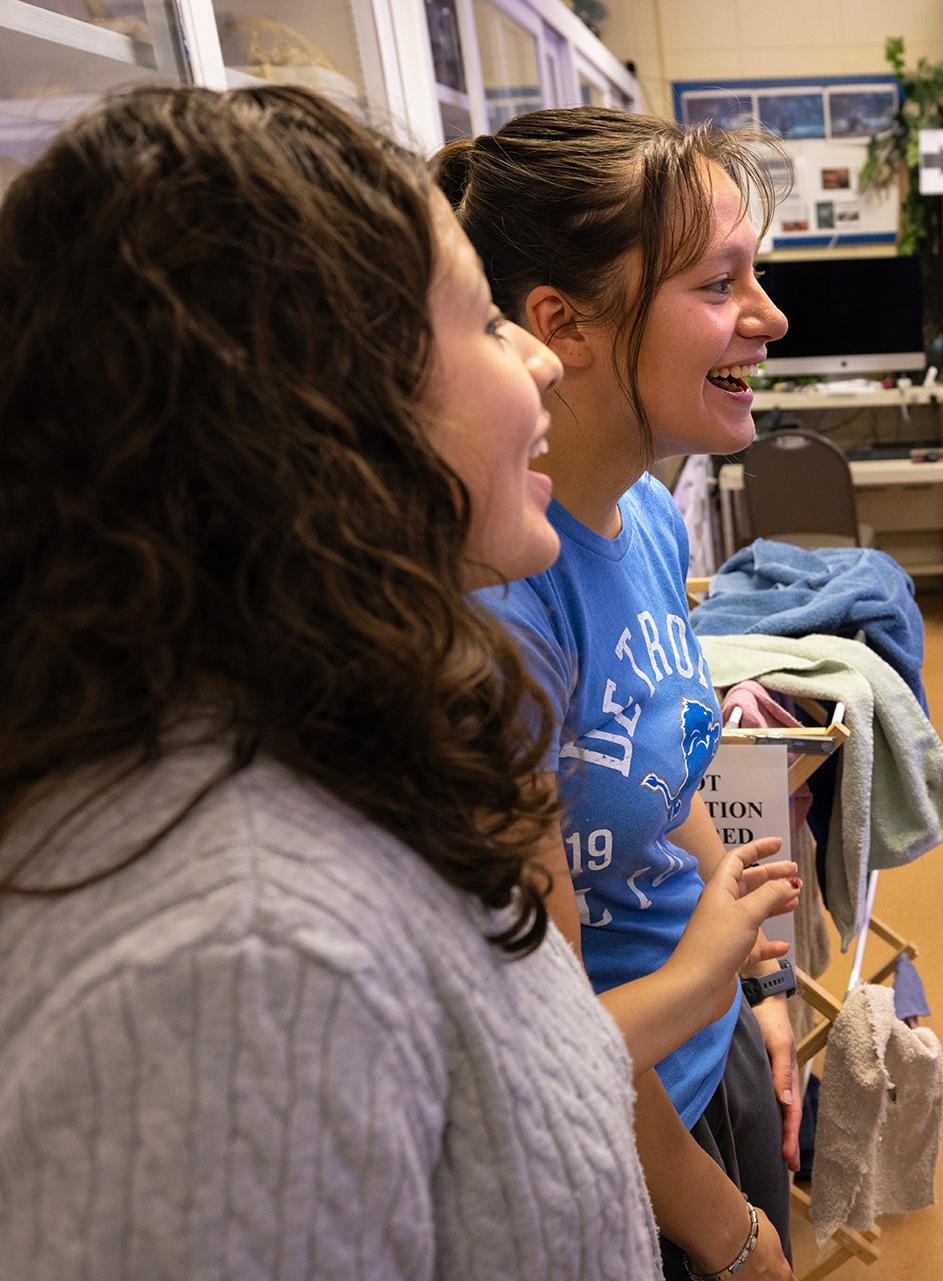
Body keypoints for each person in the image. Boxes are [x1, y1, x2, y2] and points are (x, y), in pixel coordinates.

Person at [0, 85, 796, 1280]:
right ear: (327, 407)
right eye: (480, 321)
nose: (535, 360)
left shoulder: (352, 735)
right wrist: (728, 1229)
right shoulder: (245, 960)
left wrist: (734, 982)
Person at [434, 111, 801, 1278]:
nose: (769, 318)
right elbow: (552, 1039)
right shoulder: (500, 612)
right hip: (621, 1137)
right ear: (564, 324)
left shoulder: (641, 510)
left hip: (704, 1044)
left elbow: (663, 773)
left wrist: (756, 977)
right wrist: (728, 1233)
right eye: (720, 283)